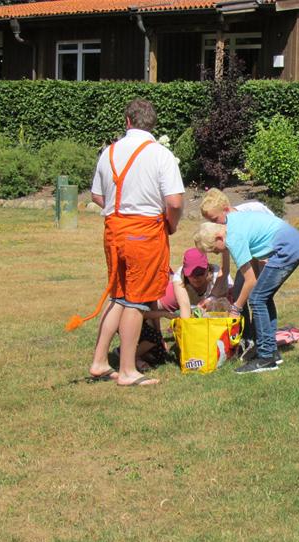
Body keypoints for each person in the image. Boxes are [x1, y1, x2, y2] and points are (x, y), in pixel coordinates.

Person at [81, 98, 184, 386]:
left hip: (114, 232)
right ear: (153, 124)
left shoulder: (109, 151)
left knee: (118, 296)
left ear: (127, 121)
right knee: (136, 302)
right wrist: (171, 224)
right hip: (144, 233)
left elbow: (97, 196)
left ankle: (100, 361)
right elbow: (175, 201)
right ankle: (127, 370)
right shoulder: (160, 154)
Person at [194, 212, 299, 373]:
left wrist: (236, 309)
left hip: (288, 248)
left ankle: (266, 358)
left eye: (213, 249)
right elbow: (254, 261)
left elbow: (250, 281)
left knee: (257, 299)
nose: (216, 253)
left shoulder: (233, 239)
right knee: (263, 296)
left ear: (219, 237)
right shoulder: (231, 224)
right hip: (294, 242)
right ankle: (271, 352)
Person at [200, 187, 274, 358]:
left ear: (225, 209)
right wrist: (211, 297)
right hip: (250, 257)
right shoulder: (223, 231)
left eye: (214, 220)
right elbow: (225, 269)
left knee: (260, 296)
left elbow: (272, 230)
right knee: (240, 290)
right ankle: (246, 338)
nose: (213, 225)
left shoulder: (252, 210)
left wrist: (235, 308)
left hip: (265, 253)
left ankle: (262, 341)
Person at [150, 247, 233, 320]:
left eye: (200, 273)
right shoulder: (179, 278)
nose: (196, 278)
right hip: (183, 293)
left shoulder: (218, 277)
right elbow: (185, 309)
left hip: (216, 301)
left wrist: (210, 301)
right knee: (152, 305)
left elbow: (223, 312)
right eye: (191, 274)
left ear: (207, 269)